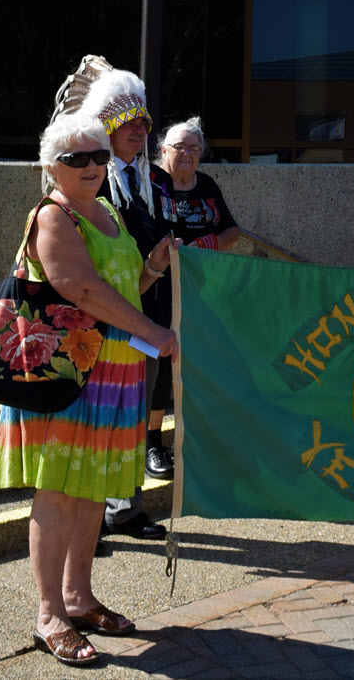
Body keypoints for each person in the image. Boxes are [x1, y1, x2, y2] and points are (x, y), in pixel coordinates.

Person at [0, 113, 177, 666]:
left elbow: (120, 286)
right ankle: (49, 614)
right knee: (59, 491)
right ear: (52, 167)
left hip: (112, 371)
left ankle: (79, 596)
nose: (92, 166)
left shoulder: (109, 212)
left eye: (97, 156)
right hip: (66, 375)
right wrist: (154, 332)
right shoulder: (53, 215)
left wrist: (152, 272)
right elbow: (79, 288)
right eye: (77, 159)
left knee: (93, 488)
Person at [78, 67, 177, 548]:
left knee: (136, 413)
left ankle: (125, 508)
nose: (140, 129)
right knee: (99, 416)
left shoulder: (154, 177)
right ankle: (87, 520)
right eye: (129, 122)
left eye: (144, 121)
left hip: (148, 302)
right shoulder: (88, 179)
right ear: (107, 126)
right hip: (101, 312)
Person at [146, 116, 240, 459]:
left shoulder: (207, 186)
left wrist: (206, 245)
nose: (186, 154)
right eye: (179, 147)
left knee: (193, 364)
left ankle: (187, 441)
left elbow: (233, 232)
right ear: (163, 149)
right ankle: (152, 443)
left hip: (200, 292)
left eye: (194, 148)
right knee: (159, 365)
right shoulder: (150, 181)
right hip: (155, 288)